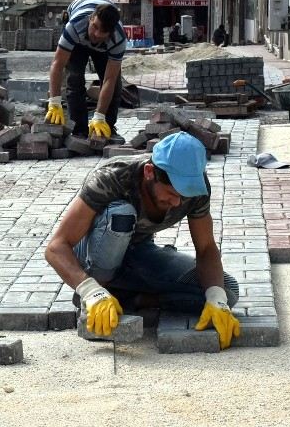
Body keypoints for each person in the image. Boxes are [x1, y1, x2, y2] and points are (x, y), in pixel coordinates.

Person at [44, 132, 242, 350]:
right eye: (171, 193)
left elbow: (206, 249)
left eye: (183, 196)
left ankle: (129, 298)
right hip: (95, 252)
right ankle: (99, 293)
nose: (177, 203)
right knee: (121, 216)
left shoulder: (195, 187)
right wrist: (90, 290)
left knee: (226, 290)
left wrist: (217, 299)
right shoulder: (112, 178)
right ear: (149, 172)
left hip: (138, 252)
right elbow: (56, 248)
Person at [46, 0, 127, 142]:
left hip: (104, 48)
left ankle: (106, 127)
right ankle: (79, 129)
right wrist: (54, 102)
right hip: (78, 40)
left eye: (101, 31)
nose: (95, 34)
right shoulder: (75, 26)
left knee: (115, 86)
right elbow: (57, 65)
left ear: (110, 32)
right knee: (74, 78)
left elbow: (109, 79)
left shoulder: (118, 38)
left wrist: (99, 116)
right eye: (94, 26)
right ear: (91, 18)